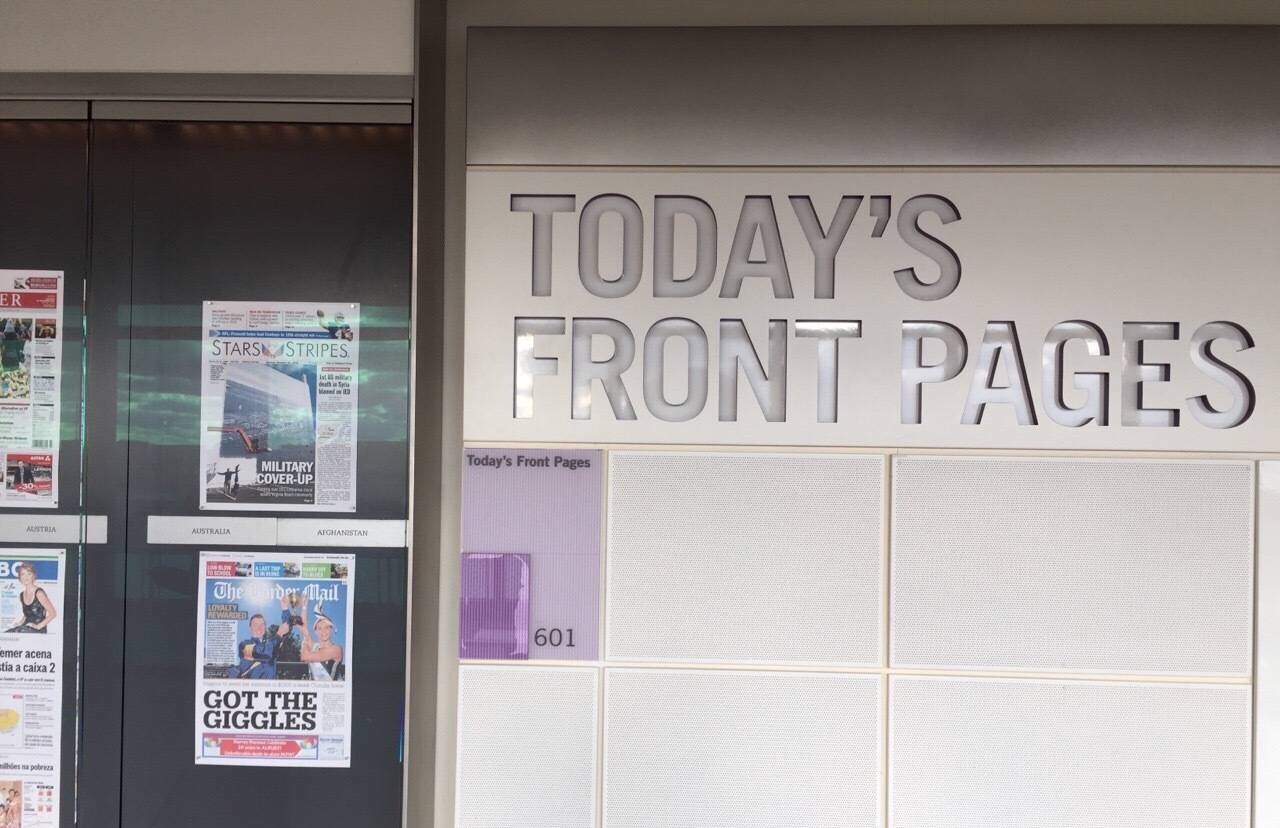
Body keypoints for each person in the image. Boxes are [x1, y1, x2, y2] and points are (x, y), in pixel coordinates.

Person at [230, 611, 291, 679]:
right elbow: (264, 653)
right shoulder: (244, 645)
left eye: (262, 625)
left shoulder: (271, 644)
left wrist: (285, 609)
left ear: (265, 627)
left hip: (270, 684)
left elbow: (286, 629)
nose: (259, 628)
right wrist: (279, 634)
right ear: (250, 628)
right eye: (255, 625)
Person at [298, 594, 344, 680]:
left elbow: (304, 656)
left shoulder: (337, 649)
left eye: (327, 627)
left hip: (331, 688)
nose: (323, 631)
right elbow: (302, 627)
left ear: (331, 629)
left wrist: (305, 643)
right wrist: (304, 606)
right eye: (319, 628)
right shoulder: (315, 647)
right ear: (315, 632)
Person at [6, 561, 57, 634]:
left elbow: (53, 613)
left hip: (37, 630)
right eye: (23, 574)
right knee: (7, 632)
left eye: (29, 574)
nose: (26, 577)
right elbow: (27, 614)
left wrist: (38, 626)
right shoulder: (21, 595)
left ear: (33, 576)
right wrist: (19, 623)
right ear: (20, 578)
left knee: (16, 632)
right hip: (25, 628)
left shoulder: (39, 593)